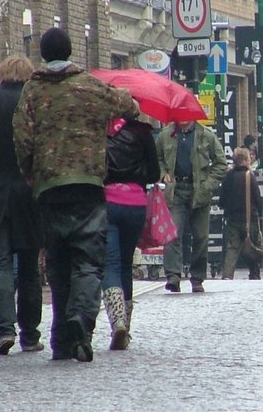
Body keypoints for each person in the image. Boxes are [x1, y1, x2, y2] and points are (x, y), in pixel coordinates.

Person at [13, 28, 137, 363]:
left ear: (43, 54)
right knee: (87, 261)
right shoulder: (91, 86)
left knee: (58, 264)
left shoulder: (32, 91)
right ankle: (80, 320)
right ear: (70, 53)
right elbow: (130, 107)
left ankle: (60, 342)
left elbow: (22, 139)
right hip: (87, 184)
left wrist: (30, 172)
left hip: (49, 187)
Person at [0, 55, 44, 355]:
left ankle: (4, 330)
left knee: (0, 264)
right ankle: (30, 335)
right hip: (28, 194)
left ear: (1, 74)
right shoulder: (35, 103)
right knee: (29, 268)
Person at [99, 102, 159, 350]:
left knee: (109, 263)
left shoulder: (101, 131)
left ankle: (117, 322)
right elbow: (154, 173)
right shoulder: (144, 132)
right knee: (126, 263)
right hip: (135, 205)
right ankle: (126, 325)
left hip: (107, 204)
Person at [156, 119, 227, 294]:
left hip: (199, 192)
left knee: (201, 236)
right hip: (176, 191)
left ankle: (197, 277)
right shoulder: (166, 134)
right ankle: (173, 276)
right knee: (173, 234)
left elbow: (221, 164)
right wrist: (163, 173)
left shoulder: (206, 135)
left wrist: (208, 185)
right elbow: (156, 158)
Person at [218, 148, 263, 280]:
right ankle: (254, 273)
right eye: (249, 159)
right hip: (251, 219)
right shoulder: (250, 176)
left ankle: (227, 275)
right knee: (252, 245)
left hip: (233, 219)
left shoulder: (229, 176)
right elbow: (257, 198)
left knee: (232, 248)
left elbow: (222, 199)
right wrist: (259, 213)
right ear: (244, 161)